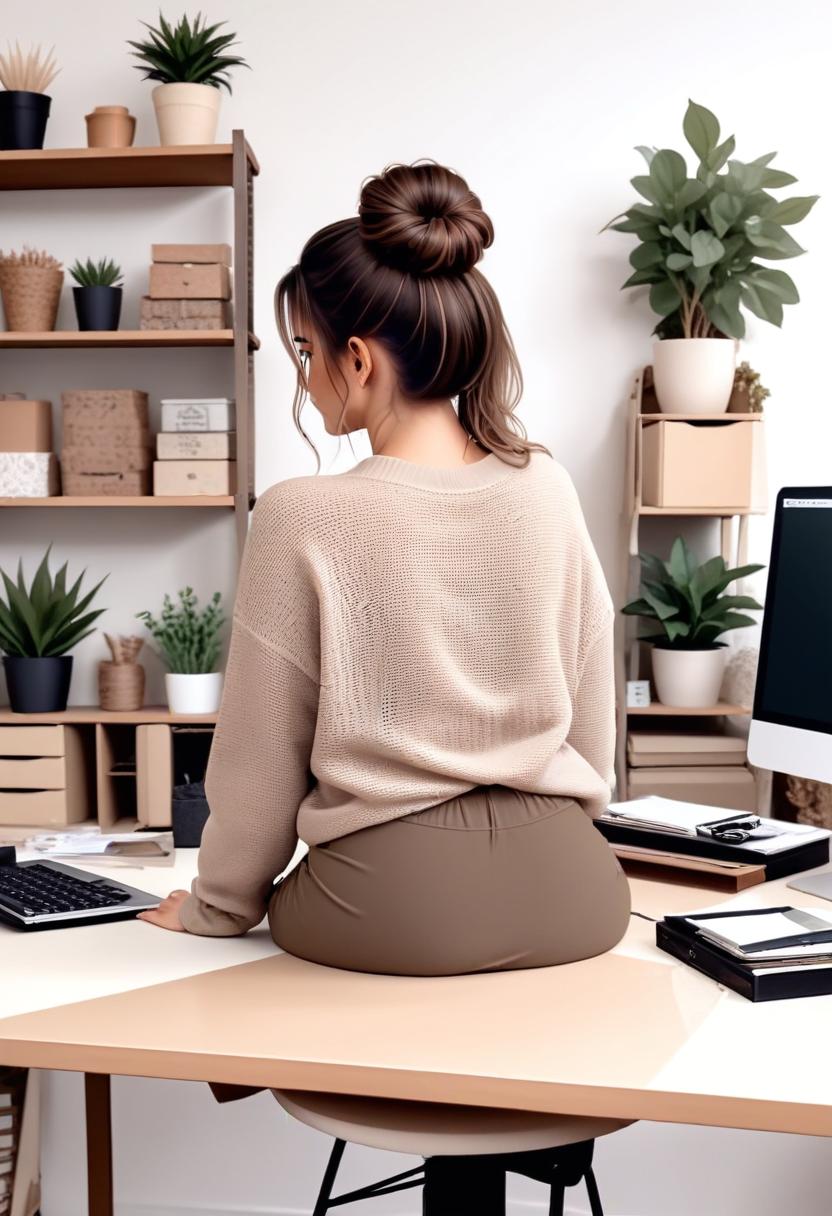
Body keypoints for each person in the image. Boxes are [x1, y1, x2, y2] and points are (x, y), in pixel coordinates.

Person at [139, 158, 631, 979]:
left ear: (359, 360)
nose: (305, 372)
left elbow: (261, 756)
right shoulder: (546, 484)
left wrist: (217, 906)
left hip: (394, 903)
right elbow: (588, 702)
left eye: (307, 350)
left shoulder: (304, 514)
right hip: (580, 892)